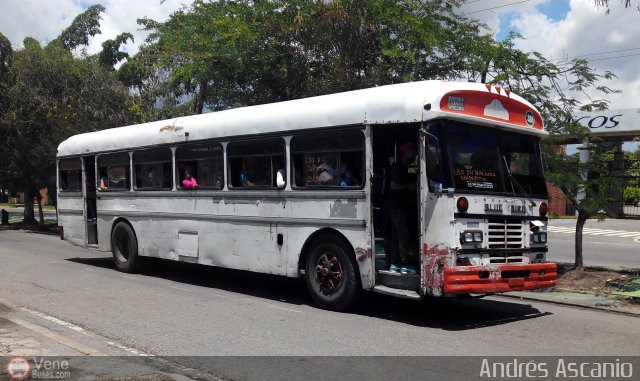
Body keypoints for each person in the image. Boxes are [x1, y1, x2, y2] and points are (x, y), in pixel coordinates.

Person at [386, 142, 418, 274]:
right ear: (405, 153)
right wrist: (409, 186)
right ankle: (404, 263)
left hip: (401, 206)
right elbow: (393, 185)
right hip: (396, 207)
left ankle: (394, 263)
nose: (414, 154)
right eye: (412, 152)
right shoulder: (398, 167)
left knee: (396, 235)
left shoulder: (406, 167)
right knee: (403, 234)